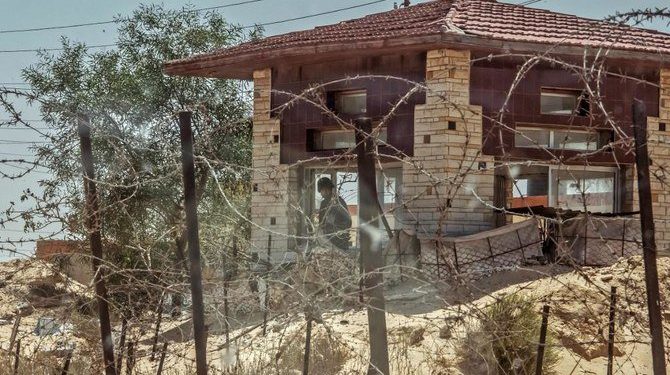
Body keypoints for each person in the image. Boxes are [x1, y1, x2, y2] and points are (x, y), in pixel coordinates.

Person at [316, 177, 352, 251]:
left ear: (331, 189)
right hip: (327, 239)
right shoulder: (323, 203)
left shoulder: (339, 202)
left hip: (339, 240)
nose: (325, 192)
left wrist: (338, 231)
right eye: (323, 190)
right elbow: (321, 223)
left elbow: (348, 221)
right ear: (320, 191)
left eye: (327, 189)